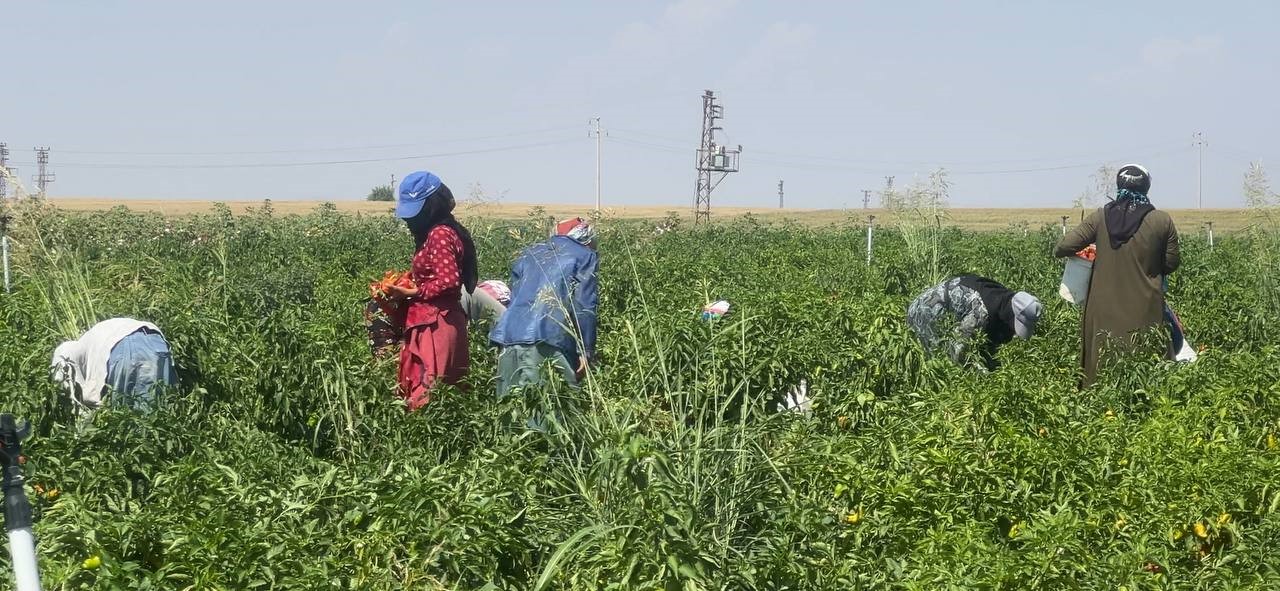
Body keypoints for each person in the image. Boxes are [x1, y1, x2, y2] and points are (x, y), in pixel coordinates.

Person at [1055, 164, 1180, 386]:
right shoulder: (1161, 221)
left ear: (1119, 186)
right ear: (1146, 188)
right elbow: (1170, 264)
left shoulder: (1100, 217)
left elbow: (1063, 246)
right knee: (1148, 365)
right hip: (1146, 307)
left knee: (1101, 366)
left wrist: (1091, 253)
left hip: (1102, 307)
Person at [384, 171, 478, 410]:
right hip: (432, 320)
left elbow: (448, 281)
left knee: (429, 396)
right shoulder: (439, 232)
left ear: (431, 206)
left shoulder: (439, 234)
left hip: (437, 324)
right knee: (434, 393)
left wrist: (411, 293)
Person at [489, 217, 599, 398]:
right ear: (586, 238)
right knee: (554, 410)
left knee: (510, 411)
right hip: (549, 338)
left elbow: (515, 296)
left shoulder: (528, 253)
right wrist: (586, 351)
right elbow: (584, 307)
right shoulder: (585, 256)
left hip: (509, 335)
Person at [907, 275, 1043, 370]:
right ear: (1012, 315)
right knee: (938, 362)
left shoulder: (1003, 299)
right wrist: (986, 377)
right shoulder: (981, 312)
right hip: (925, 313)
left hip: (941, 312)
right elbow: (958, 349)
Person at [51, 317, 177, 414]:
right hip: (157, 342)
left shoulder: (65, 354)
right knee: (157, 408)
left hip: (124, 347)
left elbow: (75, 394)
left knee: (123, 414)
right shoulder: (90, 341)